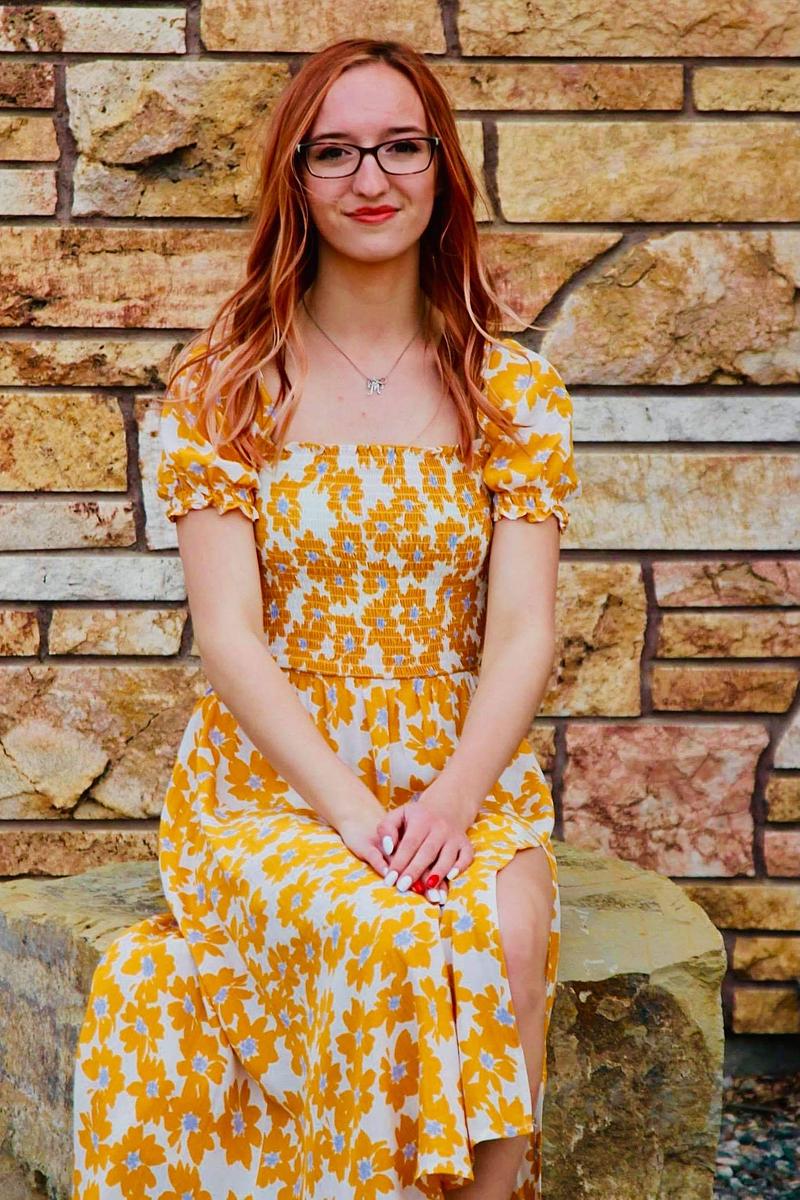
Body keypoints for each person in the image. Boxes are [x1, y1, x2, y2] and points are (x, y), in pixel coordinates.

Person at [71, 36, 581, 1200]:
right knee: (389, 933)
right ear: (294, 179)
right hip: (275, 782)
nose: (371, 178)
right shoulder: (227, 381)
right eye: (334, 152)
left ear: (441, 168)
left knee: (504, 941)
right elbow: (229, 635)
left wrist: (449, 802)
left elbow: (522, 630)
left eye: (401, 147)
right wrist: (353, 815)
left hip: (458, 768)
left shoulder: (510, 390)